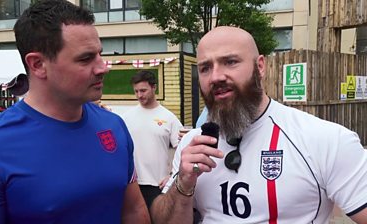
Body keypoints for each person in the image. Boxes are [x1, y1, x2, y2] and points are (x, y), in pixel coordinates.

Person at [150, 26, 367, 223]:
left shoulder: (325, 139)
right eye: (205, 68)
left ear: (260, 67)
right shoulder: (192, 145)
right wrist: (184, 184)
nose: (216, 76)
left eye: (230, 61)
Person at [0, 1, 150, 223]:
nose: (103, 67)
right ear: (37, 65)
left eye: (100, 54)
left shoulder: (114, 126)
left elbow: (132, 210)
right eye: (85, 58)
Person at [122, 70, 183, 210]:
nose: (139, 95)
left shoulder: (169, 117)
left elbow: (182, 150)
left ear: (154, 87)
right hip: (132, 184)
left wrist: (173, 176)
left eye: (143, 90)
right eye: (136, 91)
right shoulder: (126, 117)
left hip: (159, 184)